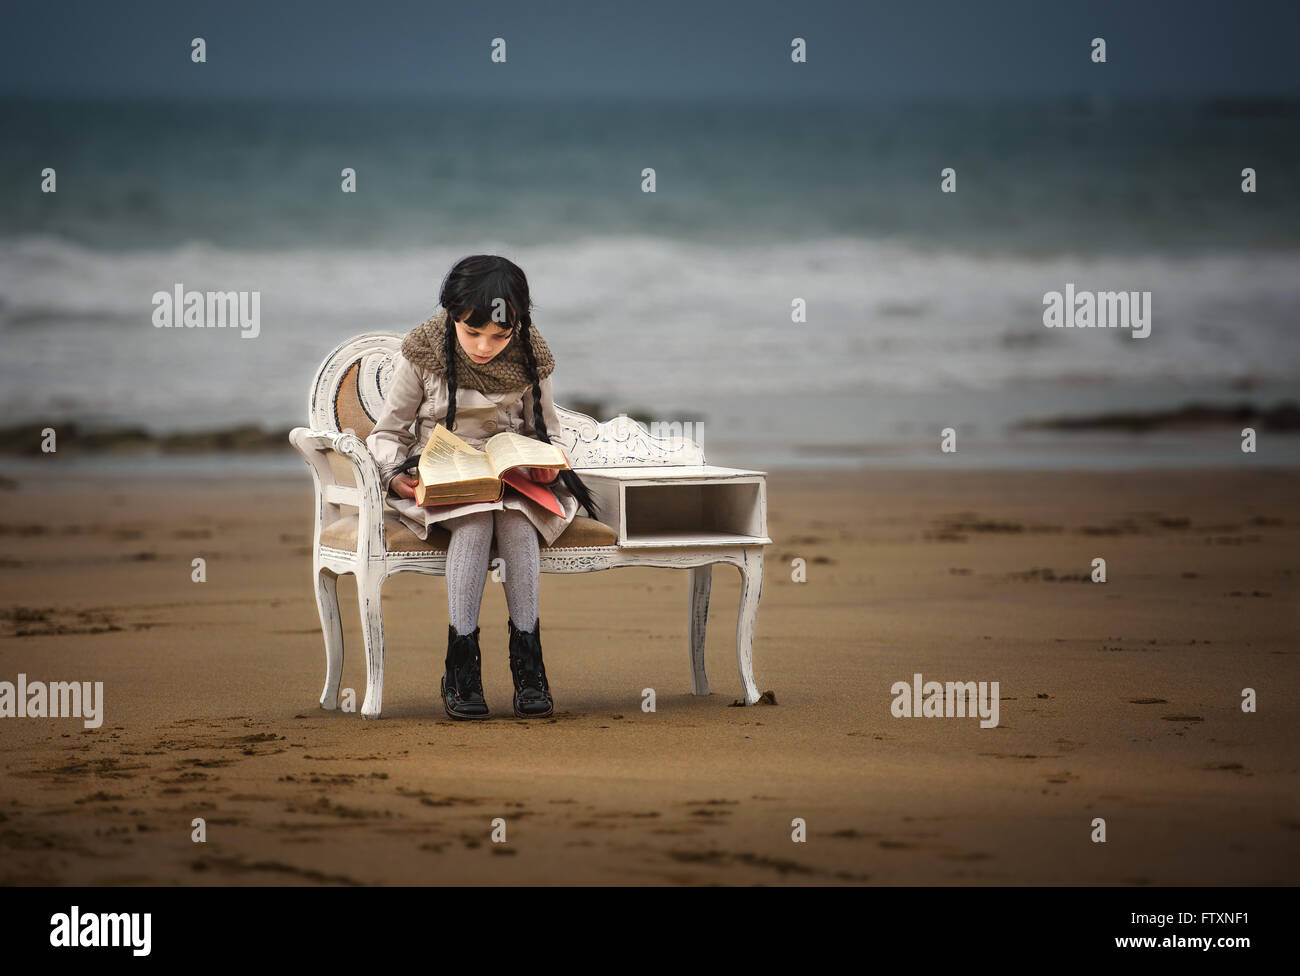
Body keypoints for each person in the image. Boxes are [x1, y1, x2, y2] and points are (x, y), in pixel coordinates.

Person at [364, 255, 599, 720]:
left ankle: (528, 663)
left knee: (515, 523)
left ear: (518, 325)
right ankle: (461, 666)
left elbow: (549, 432)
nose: (484, 346)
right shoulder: (423, 351)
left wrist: (547, 465)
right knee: (473, 523)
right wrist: (398, 479)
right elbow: (387, 434)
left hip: (511, 478)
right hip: (443, 475)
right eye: (471, 332)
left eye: (498, 335)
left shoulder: (533, 354)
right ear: (451, 315)